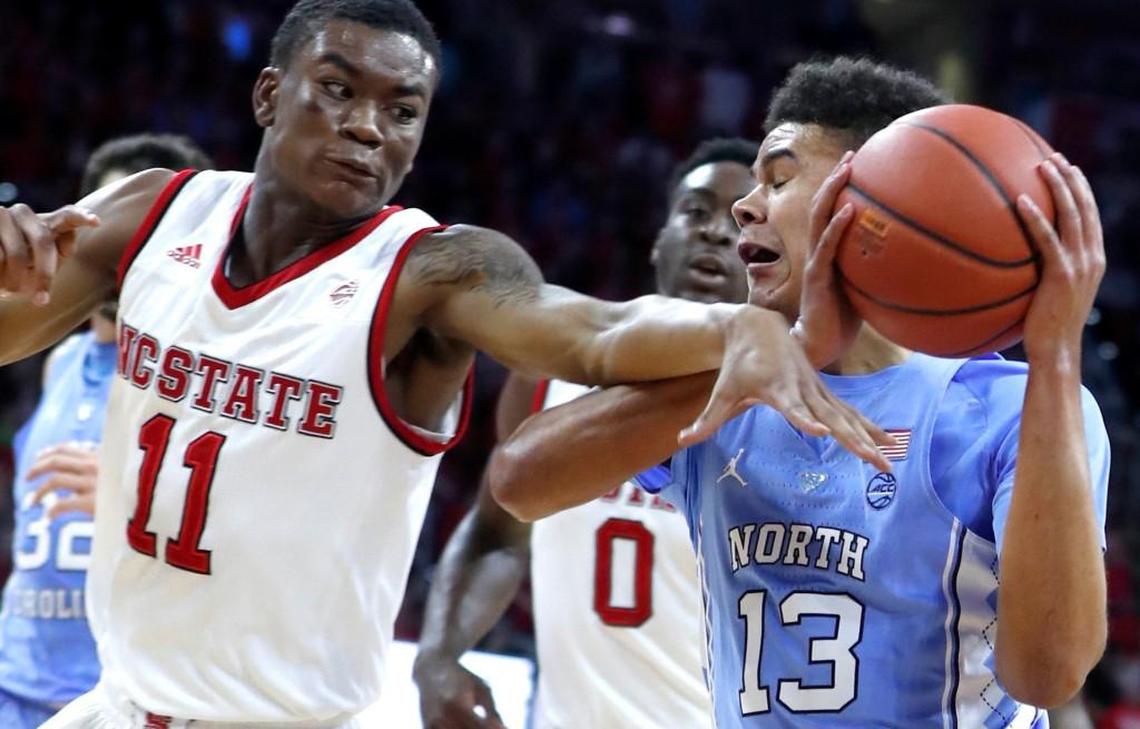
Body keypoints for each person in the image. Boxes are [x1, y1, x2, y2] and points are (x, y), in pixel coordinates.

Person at [0, 2, 891, 725]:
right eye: (337, 91)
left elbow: (593, 333)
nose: (366, 128)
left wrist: (736, 330)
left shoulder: (432, 270)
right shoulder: (159, 212)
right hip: (114, 703)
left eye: (401, 111)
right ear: (270, 95)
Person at [489, 57, 1111, 727]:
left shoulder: (1005, 407)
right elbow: (520, 482)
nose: (743, 206)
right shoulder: (726, 379)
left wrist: (1055, 353)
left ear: (873, 198)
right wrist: (797, 353)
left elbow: (1048, 672)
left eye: (779, 178)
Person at [414, 138, 757, 729]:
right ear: (659, 238)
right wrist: (438, 654)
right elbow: (496, 533)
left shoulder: (784, 412)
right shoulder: (551, 381)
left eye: (741, 219)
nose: (715, 233)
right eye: (695, 212)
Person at [0, 134, 212, 728]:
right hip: (14, 683)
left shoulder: (203, 379)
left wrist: (137, 499)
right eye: (113, 226)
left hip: (115, 700)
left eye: (153, 234)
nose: (126, 252)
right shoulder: (56, 361)